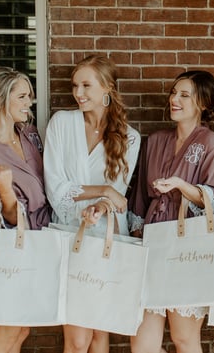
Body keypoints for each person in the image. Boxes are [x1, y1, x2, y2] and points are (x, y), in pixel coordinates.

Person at [43, 55, 141, 353]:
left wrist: (99, 205)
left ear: (107, 88)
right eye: (75, 86)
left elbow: (117, 195)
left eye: (86, 85)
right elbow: (56, 189)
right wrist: (102, 192)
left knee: (100, 332)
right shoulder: (62, 123)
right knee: (76, 339)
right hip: (69, 237)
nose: (78, 93)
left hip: (109, 238)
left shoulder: (130, 138)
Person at [128, 70, 214, 353]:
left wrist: (181, 186)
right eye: (174, 93)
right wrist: (138, 236)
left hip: (189, 249)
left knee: (184, 340)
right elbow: (138, 196)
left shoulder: (212, 145)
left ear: (204, 104)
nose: (174, 99)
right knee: (142, 344)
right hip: (152, 245)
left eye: (184, 95)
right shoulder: (155, 140)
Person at [0, 66, 52, 353]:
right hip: (12, 249)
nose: (29, 102)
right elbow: (8, 220)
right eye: (22, 97)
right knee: (6, 331)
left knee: (21, 328)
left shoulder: (28, 134)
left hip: (39, 241)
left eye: (28, 96)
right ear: (2, 99)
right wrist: (5, 189)